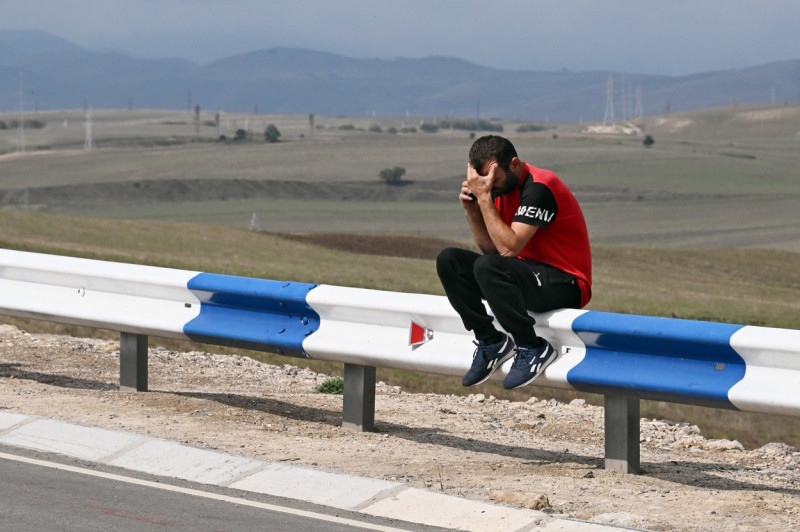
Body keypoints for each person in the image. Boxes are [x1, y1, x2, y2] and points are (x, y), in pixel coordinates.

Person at [436, 135, 591, 389]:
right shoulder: (498, 189)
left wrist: (485, 199)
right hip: (526, 275)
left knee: (487, 266)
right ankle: (490, 341)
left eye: (493, 179)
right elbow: (492, 250)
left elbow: (508, 249)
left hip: (567, 283)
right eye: (482, 181)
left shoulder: (540, 187)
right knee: (449, 260)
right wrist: (472, 210)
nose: (489, 186)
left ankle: (532, 347)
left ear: (515, 164)